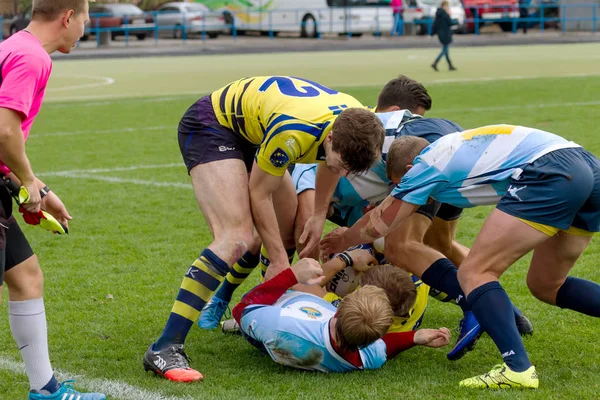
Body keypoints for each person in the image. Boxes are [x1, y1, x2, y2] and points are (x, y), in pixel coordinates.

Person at [143, 76, 385, 382]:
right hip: (212, 124)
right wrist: (282, 265)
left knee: (285, 232)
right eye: (343, 164)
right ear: (332, 138)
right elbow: (259, 193)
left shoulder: (354, 121)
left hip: (258, 132)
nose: (345, 173)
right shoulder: (294, 133)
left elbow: (330, 162)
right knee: (236, 238)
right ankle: (165, 346)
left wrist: (318, 214)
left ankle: (255, 307)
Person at [321, 124, 600, 388]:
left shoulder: (424, 166)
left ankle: (517, 370)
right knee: (547, 285)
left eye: (398, 186)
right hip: (587, 166)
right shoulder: (449, 147)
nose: (399, 192)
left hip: (551, 172)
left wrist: (344, 239)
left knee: (473, 273)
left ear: (408, 169)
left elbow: (380, 224)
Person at [0, 1, 106, 399]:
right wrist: (27, 182)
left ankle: (45, 390)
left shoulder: (13, 46)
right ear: (67, 17)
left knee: (26, 276)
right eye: (85, 20)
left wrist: (38, 190)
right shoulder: (32, 57)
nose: (84, 29)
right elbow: (5, 133)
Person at [231, 258, 451, 372]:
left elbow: (242, 309)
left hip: (272, 313)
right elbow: (384, 348)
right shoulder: (365, 358)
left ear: (337, 310)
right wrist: (414, 337)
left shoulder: (281, 327)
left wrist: (291, 275)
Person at [431, 0, 457, 72]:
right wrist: (456, 21)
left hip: (440, 34)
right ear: (444, 6)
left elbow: (435, 24)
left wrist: (432, 33)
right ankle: (435, 62)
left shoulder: (438, 14)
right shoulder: (445, 14)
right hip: (446, 34)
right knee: (445, 49)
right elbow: (450, 22)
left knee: (446, 49)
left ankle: (450, 65)